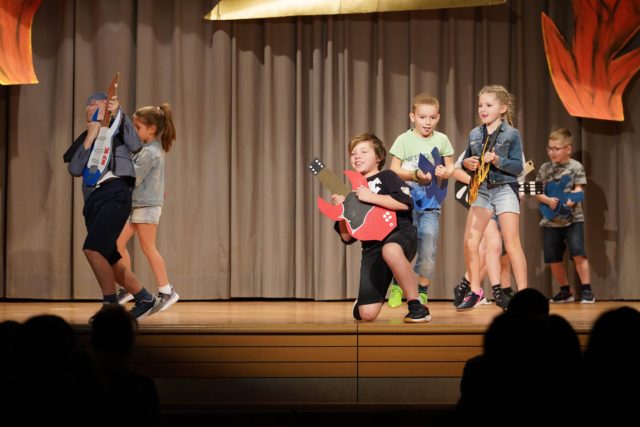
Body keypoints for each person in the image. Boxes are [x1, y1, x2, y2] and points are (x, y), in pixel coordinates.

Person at [64, 91, 160, 322]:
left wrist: (119, 112)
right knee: (109, 256)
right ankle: (145, 298)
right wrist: (91, 134)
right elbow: (75, 169)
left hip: (115, 191)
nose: (94, 107)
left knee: (93, 249)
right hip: (93, 202)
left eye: (100, 104)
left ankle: (110, 307)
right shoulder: (85, 138)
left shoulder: (118, 132)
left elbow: (136, 145)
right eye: (90, 105)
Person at [332, 133, 430, 323]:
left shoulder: (388, 177)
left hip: (400, 234)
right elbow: (347, 237)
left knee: (391, 250)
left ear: (379, 157)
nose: (357, 156)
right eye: (353, 153)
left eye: (363, 151)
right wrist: (341, 212)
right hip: (372, 247)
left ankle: (416, 305)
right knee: (367, 315)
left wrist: (371, 197)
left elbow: (405, 203)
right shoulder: (353, 193)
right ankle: (363, 302)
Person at [457, 85, 527, 311]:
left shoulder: (511, 134)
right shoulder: (474, 134)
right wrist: (467, 163)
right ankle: (475, 290)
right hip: (482, 190)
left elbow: (518, 167)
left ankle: (525, 295)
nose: (483, 109)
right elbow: (466, 162)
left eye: (488, 105)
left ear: (503, 108)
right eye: (480, 105)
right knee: (471, 241)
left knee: (512, 243)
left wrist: (498, 160)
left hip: (504, 188)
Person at [386, 94, 454, 308]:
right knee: (404, 248)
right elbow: (393, 169)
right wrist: (415, 174)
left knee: (428, 248)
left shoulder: (442, 139)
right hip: (406, 205)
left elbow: (451, 167)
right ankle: (397, 286)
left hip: (430, 205)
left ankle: (423, 291)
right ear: (412, 116)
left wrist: (445, 171)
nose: (427, 122)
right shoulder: (404, 139)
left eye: (432, 117)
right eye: (422, 117)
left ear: (438, 117)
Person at [115, 103, 179, 311]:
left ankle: (167, 291)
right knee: (117, 244)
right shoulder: (147, 149)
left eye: (138, 127)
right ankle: (128, 287)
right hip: (138, 205)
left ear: (151, 129)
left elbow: (133, 177)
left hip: (146, 206)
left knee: (148, 247)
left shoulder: (150, 152)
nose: (134, 131)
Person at [535, 128, 593, 303]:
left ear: (568, 149)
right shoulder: (545, 168)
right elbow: (538, 192)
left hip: (573, 219)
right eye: (550, 148)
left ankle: (587, 291)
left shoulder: (576, 167)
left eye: (556, 148)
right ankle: (565, 291)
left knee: (578, 253)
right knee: (553, 257)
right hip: (550, 220)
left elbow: (579, 188)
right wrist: (547, 200)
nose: (552, 152)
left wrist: (572, 199)